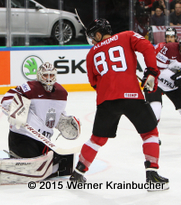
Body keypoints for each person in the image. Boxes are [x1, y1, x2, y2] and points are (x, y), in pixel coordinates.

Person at [69, 18, 169, 191]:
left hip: (106, 100)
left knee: (97, 139)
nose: (93, 41)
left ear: (99, 34)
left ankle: (77, 173)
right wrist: (152, 71)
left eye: (93, 37)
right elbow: (147, 47)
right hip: (131, 97)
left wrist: (109, 89)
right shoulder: (127, 36)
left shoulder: (91, 53)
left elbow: (93, 82)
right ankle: (152, 175)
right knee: (150, 133)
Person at [0, 62, 80, 186]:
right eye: (45, 75)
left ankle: (17, 162)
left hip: (43, 140)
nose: (48, 78)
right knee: (32, 167)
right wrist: (15, 108)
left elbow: (55, 115)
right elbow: (7, 99)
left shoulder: (62, 93)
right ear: (39, 75)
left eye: (51, 75)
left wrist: (63, 120)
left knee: (58, 162)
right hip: (23, 137)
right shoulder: (30, 87)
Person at [144, 40, 181, 127]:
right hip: (152, 77)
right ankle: (152, 137)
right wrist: (174, 76)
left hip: (172, 83)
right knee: (154, 111)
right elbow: (156, 68)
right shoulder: (169, 48)